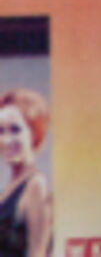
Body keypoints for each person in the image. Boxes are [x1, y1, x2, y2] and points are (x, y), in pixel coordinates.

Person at [0, 90, 49, 257]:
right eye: (1, 131)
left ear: (34, 133)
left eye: (15, 130)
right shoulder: (9, 188)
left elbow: (38, 253)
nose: (7, 140)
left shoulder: (35, 186)